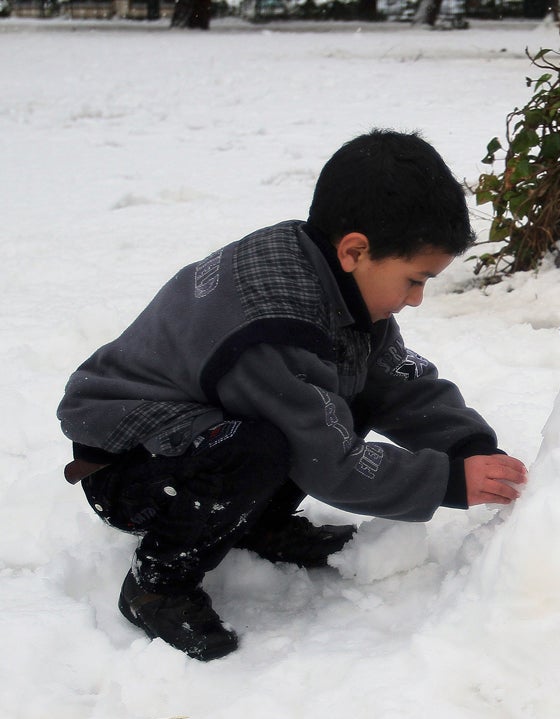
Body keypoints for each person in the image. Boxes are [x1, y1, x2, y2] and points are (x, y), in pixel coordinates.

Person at [57, 129, 529, 661]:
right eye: (415, 280)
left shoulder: (334, 278)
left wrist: (465, 445)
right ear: (355, 249)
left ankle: (257, 525)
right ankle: (158, 584)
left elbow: (394, 379)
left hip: (201, 430)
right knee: (262, 445)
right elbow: (329, 462)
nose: (416, 300)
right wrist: (446, 482)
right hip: (128, 465)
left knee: (321, 401)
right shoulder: (274, 325)